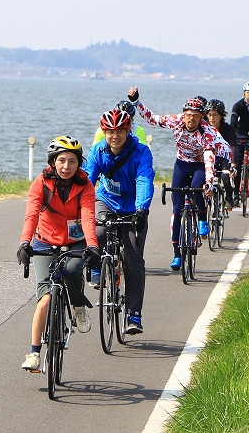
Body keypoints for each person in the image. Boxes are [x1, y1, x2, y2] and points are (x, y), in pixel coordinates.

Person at [17, 136, 101, 371]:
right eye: (62, 160)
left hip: (75, 243)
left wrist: (92, 245)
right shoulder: (40, 184)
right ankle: (34, 353)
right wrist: (25, 243)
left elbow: (87, 217)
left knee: (74, 271)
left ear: (79, 163)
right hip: (45, 243)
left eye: (72, 161)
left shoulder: (85, 185)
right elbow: (31, 215)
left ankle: (78, 306)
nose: (66, 166)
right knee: (44, 298)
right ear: (53, 162)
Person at [129, 86, 231, 270]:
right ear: (183, 114)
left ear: (202, 118)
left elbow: (209, 158)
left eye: (196, 116)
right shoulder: (175, 121)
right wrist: (137, 102)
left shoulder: (207, 132)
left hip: (199, 164)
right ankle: (176, 253)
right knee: (176, 208)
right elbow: (153, 118)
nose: (191, 119)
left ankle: (202, 219)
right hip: (182, 164)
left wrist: (208, 182)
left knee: (197, 187)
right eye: (188, 115)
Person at [82, 108, 154, 334]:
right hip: (106, 201)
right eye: (110, 131)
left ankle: (134, 314)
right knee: (98, 234)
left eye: (120, 131)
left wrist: (142, 209)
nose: (115, 136)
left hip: (133, 207)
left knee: (133, 258)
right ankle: (96, 266)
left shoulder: (141, 152)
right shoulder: (97, 151)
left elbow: (144, 179)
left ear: (128, 129)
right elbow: (87, 180)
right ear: (104, 132)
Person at [204, 99, 237, 210]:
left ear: (221, 116)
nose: (212, 118)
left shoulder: (228, 129)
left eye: (215, 115)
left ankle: (228, 196)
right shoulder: (203, 128)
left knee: (225, 175)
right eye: (209, 115)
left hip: (223, 159)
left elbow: (232, 146)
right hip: (208, 159)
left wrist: (233, 164)